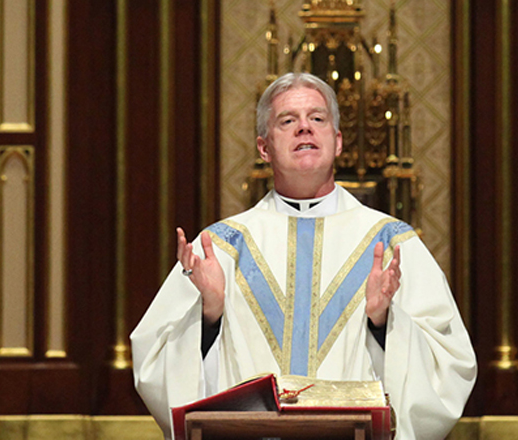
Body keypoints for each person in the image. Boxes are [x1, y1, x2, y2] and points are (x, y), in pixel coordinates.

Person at [130, 72, 477, 439]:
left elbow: (450, 367)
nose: (304, 129)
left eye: (317, 118)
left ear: (338, 141)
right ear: (264, 148)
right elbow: (155, 368)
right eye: (287, 121)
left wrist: (385, 322)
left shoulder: (392, 244)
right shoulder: (220, 248)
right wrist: (209, 315)